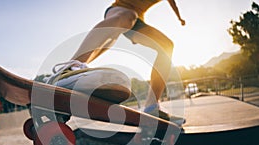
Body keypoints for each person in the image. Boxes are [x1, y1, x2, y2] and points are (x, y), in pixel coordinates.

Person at [48, 0, 186, 125]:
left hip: (137, 20)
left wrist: (179, 18)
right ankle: (67, 70)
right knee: (123, 22)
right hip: (119, 10)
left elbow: (173, 3)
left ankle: (152, 106)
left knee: (166, 46)